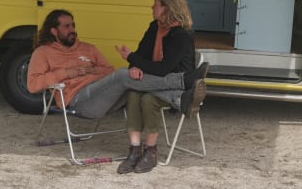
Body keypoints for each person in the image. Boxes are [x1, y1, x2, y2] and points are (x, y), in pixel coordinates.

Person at [27, 9, 206, 121]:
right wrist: (67, 73)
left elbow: (108, 70)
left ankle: (179, 98)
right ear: (53, 31)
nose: (72, 30)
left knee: (133, 81)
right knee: (123, 74)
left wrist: (90, 70)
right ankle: (181, 81)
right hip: (79, 101)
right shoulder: (43, 52)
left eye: (73, 25)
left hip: (103, 95)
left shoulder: (88, 48)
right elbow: (33, 85)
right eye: (66, 27)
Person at [114, 0, 208, 174]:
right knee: (133, 93)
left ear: (167, 8)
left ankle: (151, 151)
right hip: (151, 79)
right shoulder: (154, 27)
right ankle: (135, 149)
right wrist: (134, 67)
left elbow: (164, 69)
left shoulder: (182, 35)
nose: (152, 7)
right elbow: (141, 55)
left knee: (148, 99)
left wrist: (131, 58)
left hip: (172, 84)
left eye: (156, 4)